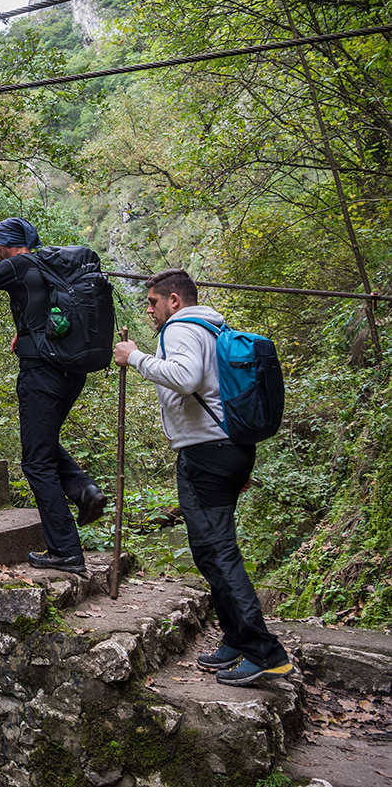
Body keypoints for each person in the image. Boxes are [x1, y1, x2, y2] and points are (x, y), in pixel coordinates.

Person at [113, 268, 294, 686]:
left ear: (174, 300)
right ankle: (235, 638)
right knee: (211, 549)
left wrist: (135, 357)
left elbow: (187, 377)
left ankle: (263, 651)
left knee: (217, 552)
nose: (150, 310)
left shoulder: (180, 328)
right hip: (227, 448)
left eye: (153, 302)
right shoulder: (212, 327)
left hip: (207, 453)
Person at [0, 217, 107, 574]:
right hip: (72, 371)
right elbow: (44, 311)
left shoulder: (19, 265)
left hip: (42, 374)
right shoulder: (50, 265)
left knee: (36, 461)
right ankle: (84, 490)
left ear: (10, 243)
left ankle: (66, 550)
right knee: (43, 441)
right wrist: (26, 334)